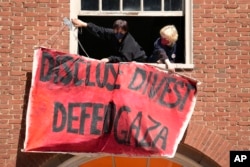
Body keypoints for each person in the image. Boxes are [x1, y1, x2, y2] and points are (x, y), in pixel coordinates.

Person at [71, 18, 147, 63]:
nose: (118, 33)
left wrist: (109, 59)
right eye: (116, 31)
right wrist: (84, 24)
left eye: (121, 32)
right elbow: (101, 30)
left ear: (126, 31)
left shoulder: (129, 42)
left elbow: (125, 59)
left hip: (138, 61)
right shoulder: (112, 34)